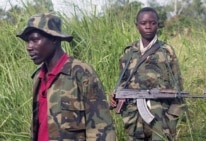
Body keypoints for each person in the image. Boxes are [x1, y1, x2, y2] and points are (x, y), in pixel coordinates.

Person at [16, 13, 116, 141]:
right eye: (28, 41)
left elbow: (101, 127)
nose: (29, 47)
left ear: (54, 39)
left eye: (35, 40)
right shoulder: (38, 77)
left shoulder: (80, 73)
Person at [110, 7, 187, 141]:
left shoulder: (166, 52)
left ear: (158, 24)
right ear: (137, 25)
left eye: (152, 23)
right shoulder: (129, 53)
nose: (148, 27)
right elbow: (123, 83)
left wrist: (170, 121)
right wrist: (115, 97)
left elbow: (178, 90)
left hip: (161, 121)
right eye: (143, 23)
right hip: (133, 121)